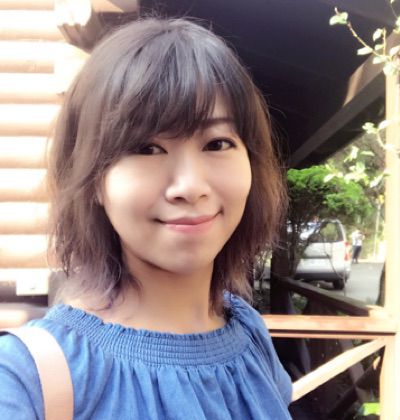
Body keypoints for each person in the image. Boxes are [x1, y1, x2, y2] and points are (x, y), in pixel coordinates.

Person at [0, 18, 292, 419]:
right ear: (93, 179)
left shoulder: (249, 333)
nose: (190, 186)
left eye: (217, 143)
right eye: (147, 148)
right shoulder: (23, 378)